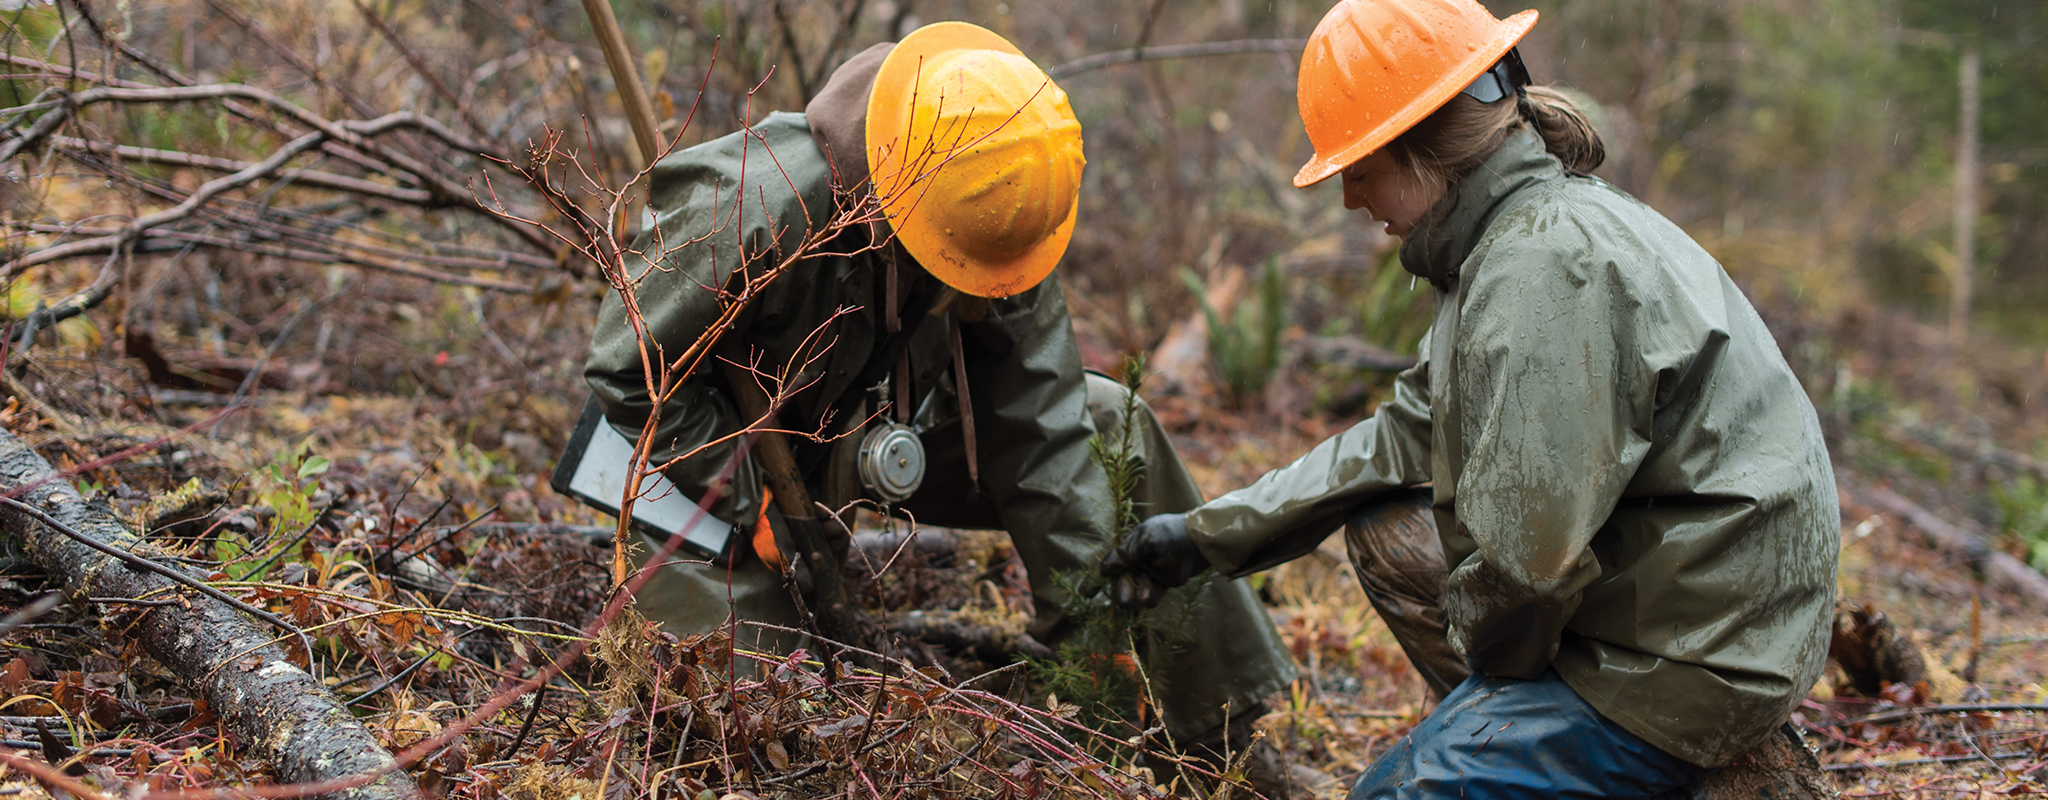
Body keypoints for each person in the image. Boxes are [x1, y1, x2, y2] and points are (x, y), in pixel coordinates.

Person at [1100, 0, 1841, 797]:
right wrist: (1206, 537)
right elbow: (1402, 438)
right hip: (1675, 598)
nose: (1351, 198)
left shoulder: (1542, 269)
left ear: (1418, 146)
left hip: (1695, 655)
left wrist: (1494, 697)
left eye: (1357, 167)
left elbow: (1528, 569)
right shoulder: (1504, 238)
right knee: (1389, 530)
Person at [580, 21, 1309, 797]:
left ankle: (1210, 740)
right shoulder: (759, 200)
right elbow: (631, 369)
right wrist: (740, 492)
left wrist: (1090, 633)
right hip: (695, 457)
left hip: (863, 438)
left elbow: (1047, 437)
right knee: (764, 712)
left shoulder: (999, 206)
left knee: (1104, 422)